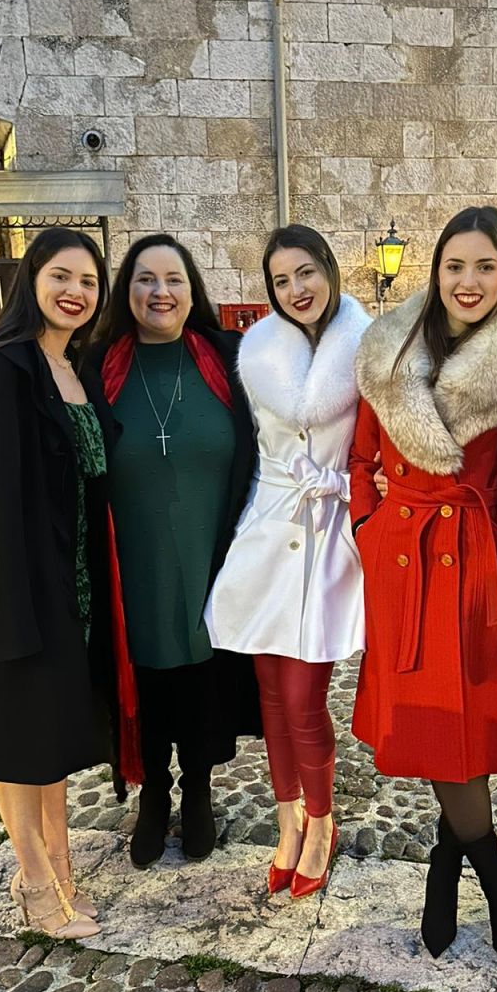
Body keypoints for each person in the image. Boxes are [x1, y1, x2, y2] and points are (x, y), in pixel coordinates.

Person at [350, 206, 497, 973]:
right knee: (437, 722)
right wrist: (369, 527)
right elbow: (359, 461)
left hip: (480, 566)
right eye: (455, 266)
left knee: (468, 727)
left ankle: (446, 865)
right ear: (435, 272)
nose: (469, 281)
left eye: (485, 267)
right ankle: (496, 880)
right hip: (405, 561)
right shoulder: (389, 350)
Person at [0, 227, 138, 940]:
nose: (75, 292)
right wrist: (4, 614)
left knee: (48, 740)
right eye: (61, 276)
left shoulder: (73, 368)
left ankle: (62, 871)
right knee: (18, 740)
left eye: (88, 281)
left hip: (69, 589)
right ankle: (37, 885)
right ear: (32, 281)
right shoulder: (3, 371)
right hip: (13, 591)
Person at [205, 225, 370, 898]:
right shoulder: (258, 352)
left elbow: (382, 446)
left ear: (328, 268)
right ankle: (288, 821)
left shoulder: (368, 347)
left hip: (330, 531)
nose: (296, 289)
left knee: (304, 697)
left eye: (306, 272)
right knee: (270, 693)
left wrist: (354, 487)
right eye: (281, 280)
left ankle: (322, 823)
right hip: (268, 528)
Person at [90, 233, 260, 866]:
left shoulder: (231, 360)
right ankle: (155, 795)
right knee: (148, 675)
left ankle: (198, 793)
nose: (159, 292)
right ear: (126, 291)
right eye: (145, 279)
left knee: (204, 677)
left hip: (212, 555)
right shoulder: (96, 367)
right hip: (130, 560)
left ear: (193, 292)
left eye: (173, 279)